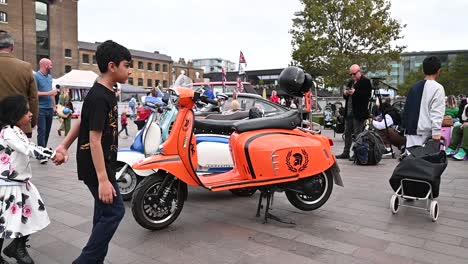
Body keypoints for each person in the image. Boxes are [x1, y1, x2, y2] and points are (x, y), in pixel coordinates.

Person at [53, 40, 131, 264]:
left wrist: (64, 145)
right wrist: (104, 179)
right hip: (97, 165)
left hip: (98, 163)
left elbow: (82, 122)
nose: (130, 70)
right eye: (127, 65)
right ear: (112, 66)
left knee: (103, 214)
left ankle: (95, 261)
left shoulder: (104, 92)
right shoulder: (99, 97)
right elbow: (94, 140)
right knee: (115, 211)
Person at [0, 95, 58, 264]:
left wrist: (50, 153)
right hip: (8, 185)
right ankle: (16, 248)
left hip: (20, 183)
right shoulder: (8, 133)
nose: (31, 114)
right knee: (4, 222)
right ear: (14, 114)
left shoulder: (16, 130)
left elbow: (30, 146)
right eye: (26, 111)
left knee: (30, 212)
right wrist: (53, 155)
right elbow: (26, 148)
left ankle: (17, 247)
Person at [0, 30, 39, 139]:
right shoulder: (25, 67)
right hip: (20, 124)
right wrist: (32, 121)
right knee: (17, 155)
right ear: (12, 47)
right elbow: (33, 98)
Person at [403, 56, 445, 148]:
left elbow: (407, 109)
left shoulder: (414, 87)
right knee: (426, 161)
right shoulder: (438, 88)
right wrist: (436, 132)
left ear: (423, 70)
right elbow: (436, 112)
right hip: (426, 133)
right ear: (438, 71)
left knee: (412, 161)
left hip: (411, 131)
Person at [336, 64, 372, 160]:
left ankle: (357, 153)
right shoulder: (350, 82)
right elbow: (346, 96)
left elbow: (366, 96)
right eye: (350, 74)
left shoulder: (366, 82)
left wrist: (355, 93)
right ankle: (346, 152)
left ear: (359, 72)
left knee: (358, 134)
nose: (352, 76)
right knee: (347, 133)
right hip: (349, 112)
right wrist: (345, 93)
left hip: (359, 113)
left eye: (354, 74)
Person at [34, 58, 57, 164]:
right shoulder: (36, 76)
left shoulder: (50, 77)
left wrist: (55, 106)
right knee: (42, 132)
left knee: (47, 132)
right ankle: (41, 154)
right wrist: (48, 93)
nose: (51, 67)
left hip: (49, 109)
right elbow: (35, 93)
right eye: (50, 65)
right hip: (41, 108)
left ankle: (43, 151)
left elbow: (52, 93)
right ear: (44, 65)